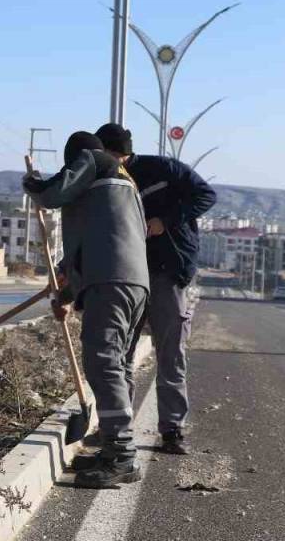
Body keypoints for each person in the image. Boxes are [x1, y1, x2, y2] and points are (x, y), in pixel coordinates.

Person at [25, 131, 150, 488]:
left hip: (111, 281)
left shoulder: (94, 161)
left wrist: (33, 184)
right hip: (134, 283)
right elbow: (100, 240)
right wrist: (67, 292)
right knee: (118, 364)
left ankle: (123, 455)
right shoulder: (124, 185)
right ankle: (115, 451)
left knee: (103, 362)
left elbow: (52, 193)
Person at [94, 123, 217, 455]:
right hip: (126, 276)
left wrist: (165, 220)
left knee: (170, 353)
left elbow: (206, 195)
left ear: (117, 152)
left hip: (166, 273)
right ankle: (118, 427)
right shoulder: (103, 180)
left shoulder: (164, 170)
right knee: (120, 354)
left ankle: (172, 429)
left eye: (105, 155)